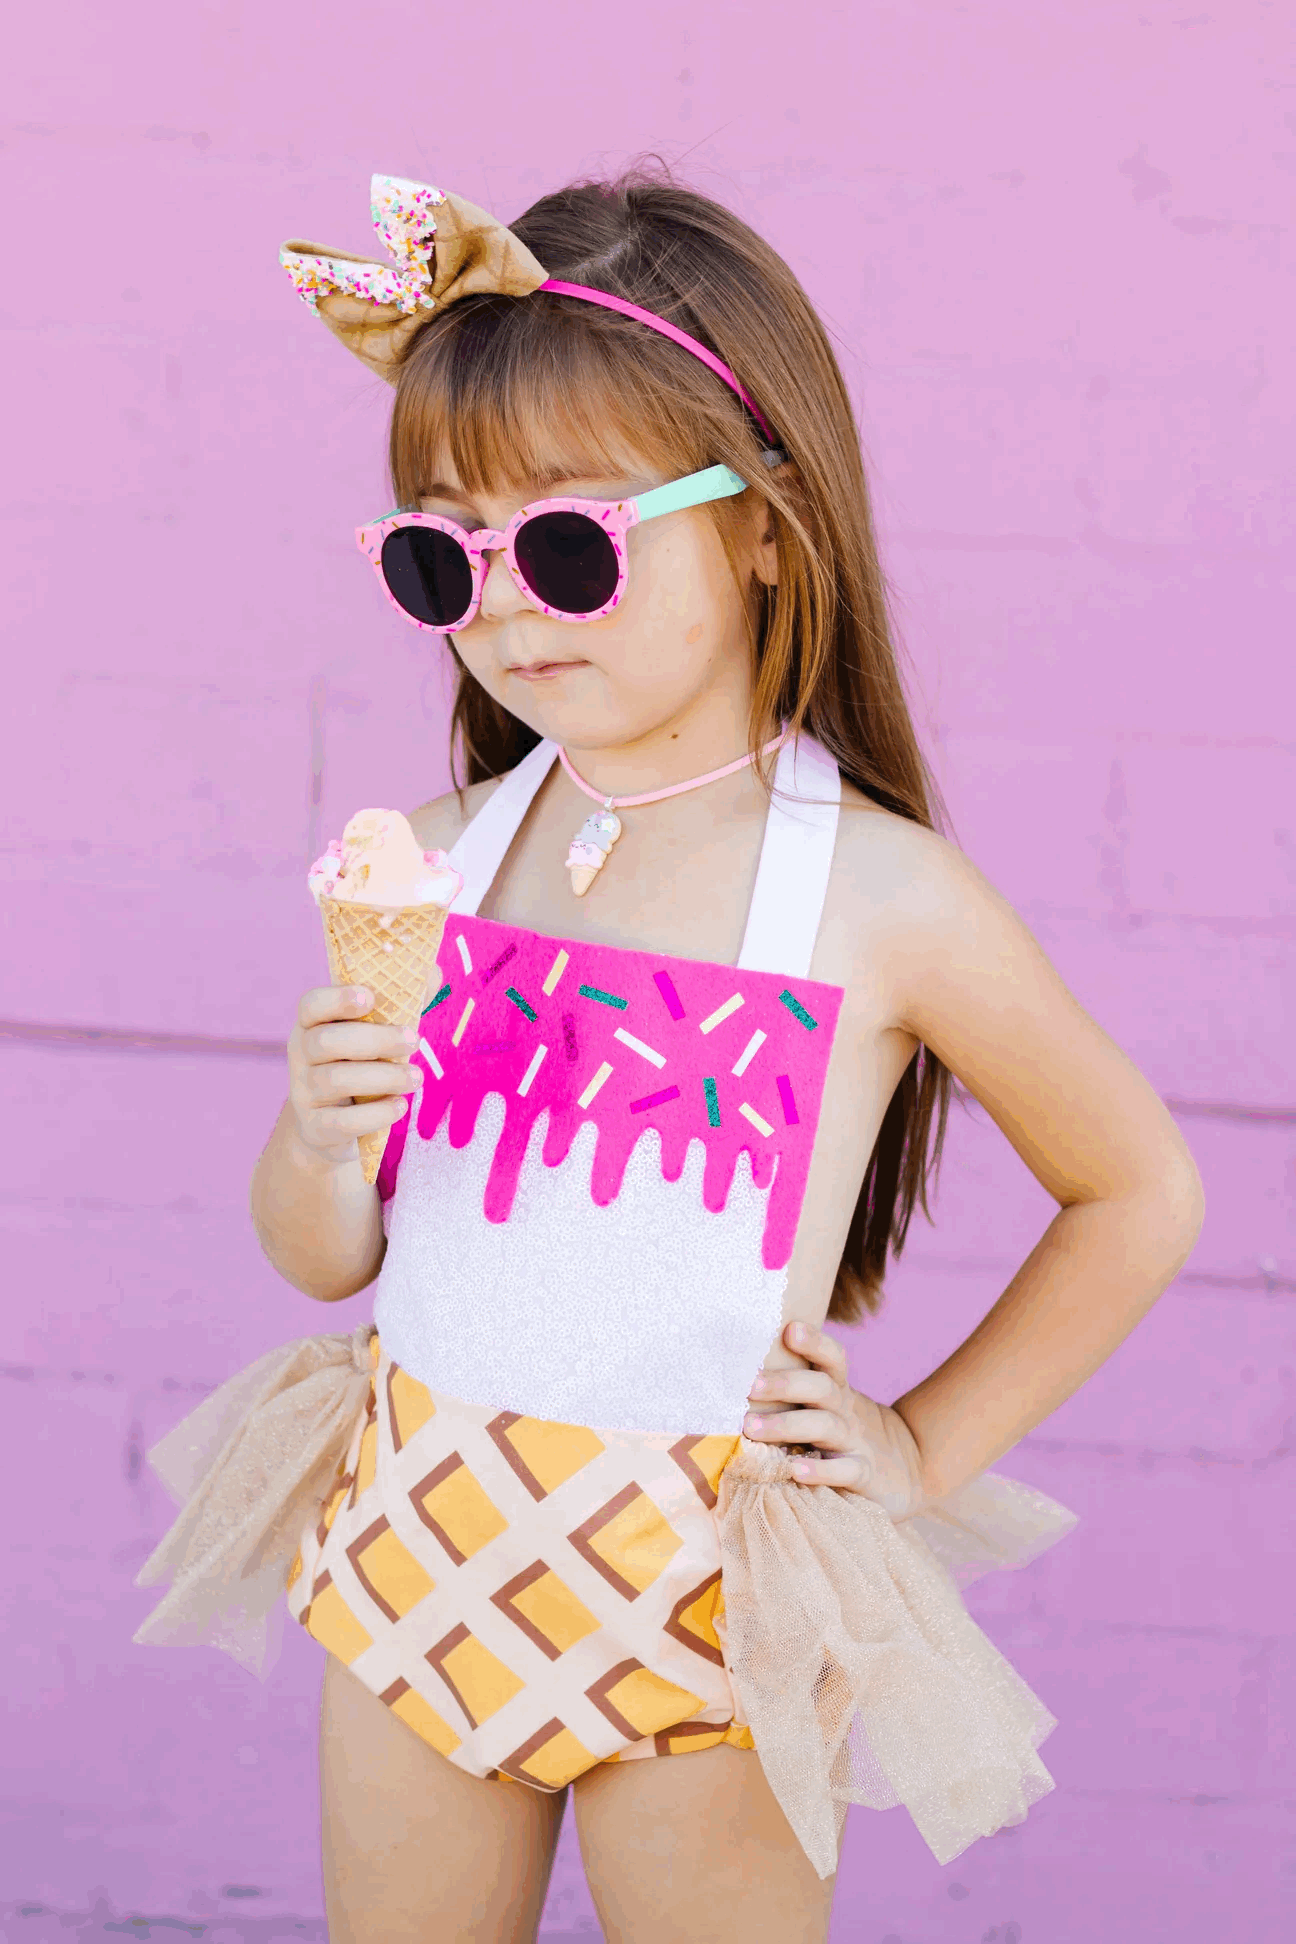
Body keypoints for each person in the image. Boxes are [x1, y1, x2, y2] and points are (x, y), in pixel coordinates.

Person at [142, 168, 1204, 1944]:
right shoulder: (432, 862)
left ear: (767, 526)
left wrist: (919, 1449)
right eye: (443, 557)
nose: (508, 608)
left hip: (706, 1603)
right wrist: (318, 1143)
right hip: (419, 1551)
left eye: (571, 545)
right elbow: (324, 1254)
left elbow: (1139, 1190)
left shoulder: (882, 899)